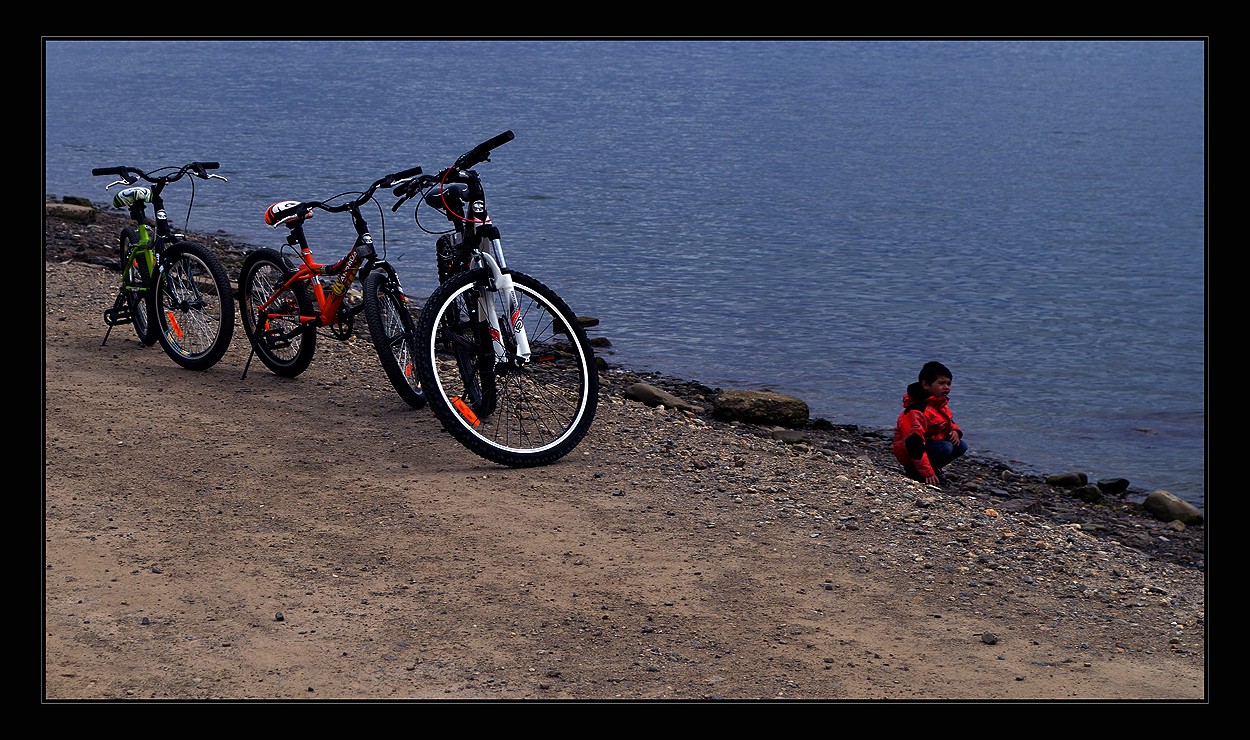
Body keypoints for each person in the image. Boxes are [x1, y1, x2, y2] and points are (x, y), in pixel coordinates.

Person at [892, 360, 968, 486]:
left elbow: (947, 421)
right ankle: (916, 472)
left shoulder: (938, 403)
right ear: (926, 385)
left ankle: (932, 468)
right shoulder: (916, 410)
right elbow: (913, 444)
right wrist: (927, 472)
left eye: (949, 383)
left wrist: (955, 431)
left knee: (960, 445)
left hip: (928, 445)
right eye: (941, 383)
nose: (946, 387)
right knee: (946, 447)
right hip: (910, 452)